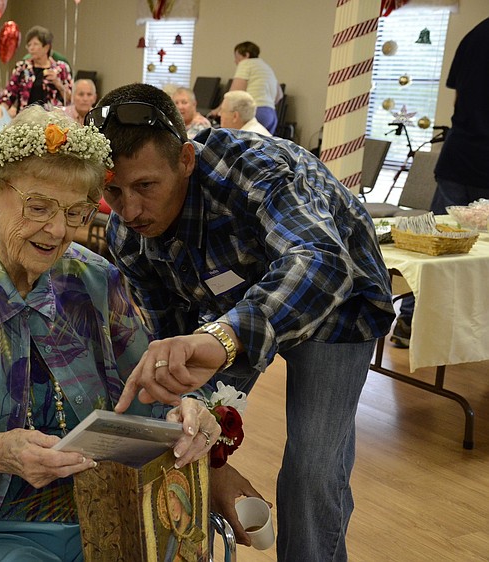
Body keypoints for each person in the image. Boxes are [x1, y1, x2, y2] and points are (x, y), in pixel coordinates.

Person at [0, 106, 220, 562]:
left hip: (108, 508)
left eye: (75, 212)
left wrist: (187, 412)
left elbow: (152, 387)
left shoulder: (93, 280)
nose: (58, 230)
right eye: (39, 206)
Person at [86, 83, 395, 561]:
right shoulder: (128, 236)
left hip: (336, 301)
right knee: (182, 437)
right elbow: (169, 337)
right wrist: (208, 451)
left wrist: (225, 336)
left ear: (186, 160)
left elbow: (319, 261)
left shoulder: (255, 169)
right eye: (113, 191)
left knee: (313, 468)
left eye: (146, 186)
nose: (129, 211)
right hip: (231, 312)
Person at [390, 17, 489, 349]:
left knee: (432, 250)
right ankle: (465, 334)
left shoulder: (475, 35)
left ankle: (408, 322)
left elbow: (458, 100)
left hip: (459, 155)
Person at [0, 26, 72, 116]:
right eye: (29, 45)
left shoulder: (61, 68)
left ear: (46, 47)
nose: (31, 48)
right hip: (26, 119)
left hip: (53, 119)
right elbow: (9, 95)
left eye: (35, 44)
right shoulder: (22, 68)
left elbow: (71, 99)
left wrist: (58, 83)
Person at [227, 41, 282, 134]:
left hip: (256, 112)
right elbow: (279, 95)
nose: (235, 61)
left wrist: (219, 110)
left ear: (246, 55)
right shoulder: (266, 66)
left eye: (237, 57)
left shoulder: (245, 63)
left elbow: (235, 93)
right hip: (271, 114)